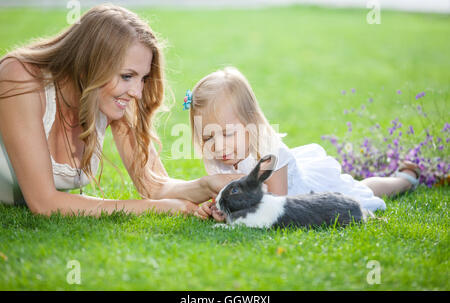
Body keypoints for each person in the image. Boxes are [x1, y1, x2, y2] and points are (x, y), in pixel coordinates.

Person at [0, 4, 239, 218]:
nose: (136, 92)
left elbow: (154, 185)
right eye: (127, 76)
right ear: (89, 64)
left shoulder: (112, 97)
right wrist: (154, 208)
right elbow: (44, 203)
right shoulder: (18, 78)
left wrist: (208, 185)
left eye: (143, 78)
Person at [186, 67, 421, 218]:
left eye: (226, 133)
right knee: (361, 187)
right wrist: (215, 206)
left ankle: (405, 179)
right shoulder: (219, 157)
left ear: (250, 122)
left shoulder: (271, 153)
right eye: (208, 136)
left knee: (362, 191)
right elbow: (228, 195)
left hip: (311, 194)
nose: (217, 145)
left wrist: (232, 216)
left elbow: (276, 207)